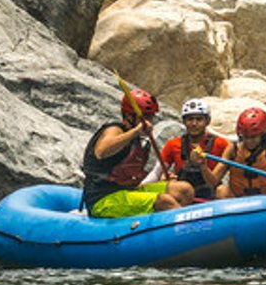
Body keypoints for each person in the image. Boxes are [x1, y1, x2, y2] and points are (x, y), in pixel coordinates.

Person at [80, 87, 196, 218]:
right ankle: (184, 229)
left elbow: (132, 177)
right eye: (145, 117)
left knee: (184, 190)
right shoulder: (115, 130)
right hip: (103, 199)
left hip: (129, 191)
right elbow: (102, 151)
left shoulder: (139, 142)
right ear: (129, 116)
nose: (149, 121)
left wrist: (161, 178)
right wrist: (136, 131)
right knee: (165, 201)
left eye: (151, 117)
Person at [158, 98, 231, 203]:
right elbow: (157, 173)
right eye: (190, 119)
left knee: (223, 190)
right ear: (184, 121)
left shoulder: (221, 144)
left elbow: (219, 180)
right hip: (183, 195)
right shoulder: (172, 145)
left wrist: (203, 166)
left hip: (210, 196)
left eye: (199, 119)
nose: (194, 124)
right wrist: (163, 178)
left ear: (207, 121)